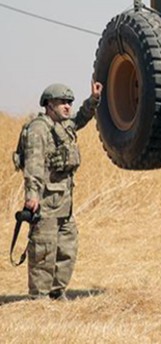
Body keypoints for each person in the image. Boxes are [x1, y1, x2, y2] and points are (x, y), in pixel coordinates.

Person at [21, 81, 102, 300]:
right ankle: (39, 297)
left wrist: (93, 99)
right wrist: (32, 194)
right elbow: (34, 164)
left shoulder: (64, 126)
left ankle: (57, 292)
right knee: (43, 249)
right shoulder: (39, 129)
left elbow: (81, 119)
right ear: (49, 104)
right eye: (62, 102)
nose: (67, 106)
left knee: (67, 247)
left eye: (69, 102)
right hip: (45, 201)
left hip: (64, 202)